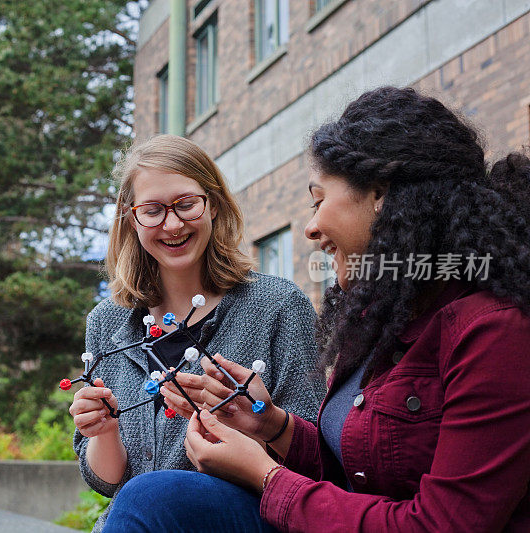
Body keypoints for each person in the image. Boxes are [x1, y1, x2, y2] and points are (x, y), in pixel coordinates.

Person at [102, 87, 530, 532]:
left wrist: (265, 477)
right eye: (151, 211)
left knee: (152, 498)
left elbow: (443, 525)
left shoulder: (494, 331)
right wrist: (270, 424)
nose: (310, 227)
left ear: (380, 194)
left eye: (319, 199)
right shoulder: (377, 322)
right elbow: (355, 471)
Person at [69, 134, 326, 532]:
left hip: (247, 518)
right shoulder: (108, 322)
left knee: (149, 496)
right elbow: (108, 482)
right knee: (141, 497)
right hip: (136, 521)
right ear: (131, 219)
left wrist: (252, 420)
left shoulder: (277, 306)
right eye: (152, 210)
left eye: (186, 204)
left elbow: (316, 454)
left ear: (214, 204)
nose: (172, 224)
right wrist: (103, 432)